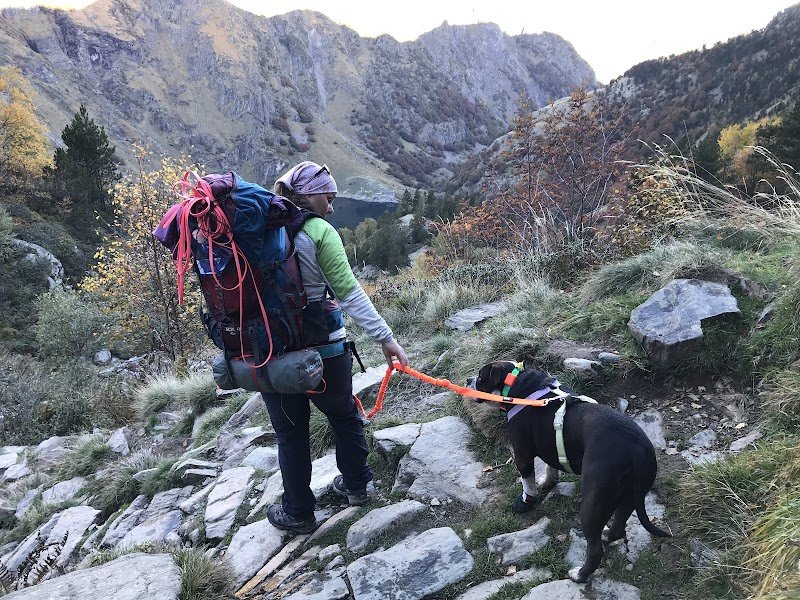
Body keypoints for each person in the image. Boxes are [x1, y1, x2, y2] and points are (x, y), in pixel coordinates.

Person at [263, 160, 408, 534]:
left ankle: (298, 511)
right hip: (324, 348)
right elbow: (349, 294)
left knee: (290, 433)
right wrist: (386, 338)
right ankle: (357, 487)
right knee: (343, 416)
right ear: (311, 196)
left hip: (270, 351)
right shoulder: (319, 231)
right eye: (328, 198)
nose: (331, 207)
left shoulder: (261, 230)